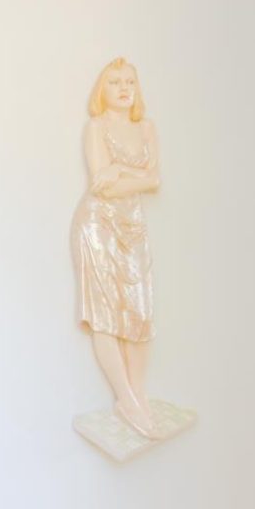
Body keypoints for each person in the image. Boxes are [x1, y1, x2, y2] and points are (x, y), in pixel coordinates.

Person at [71, 57, 163, 438]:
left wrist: (121, 170)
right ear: (102, 90)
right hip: (97, 224)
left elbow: (155, 180)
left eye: (130, 82)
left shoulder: (147, 128)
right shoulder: (96, 126)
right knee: (106, 315)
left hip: (133, 226)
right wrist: (131, 176)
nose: (125, 89)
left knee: (139, 314)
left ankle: (138, 394)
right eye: (115, 82)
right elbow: (101, 186)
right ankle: (125, 397)